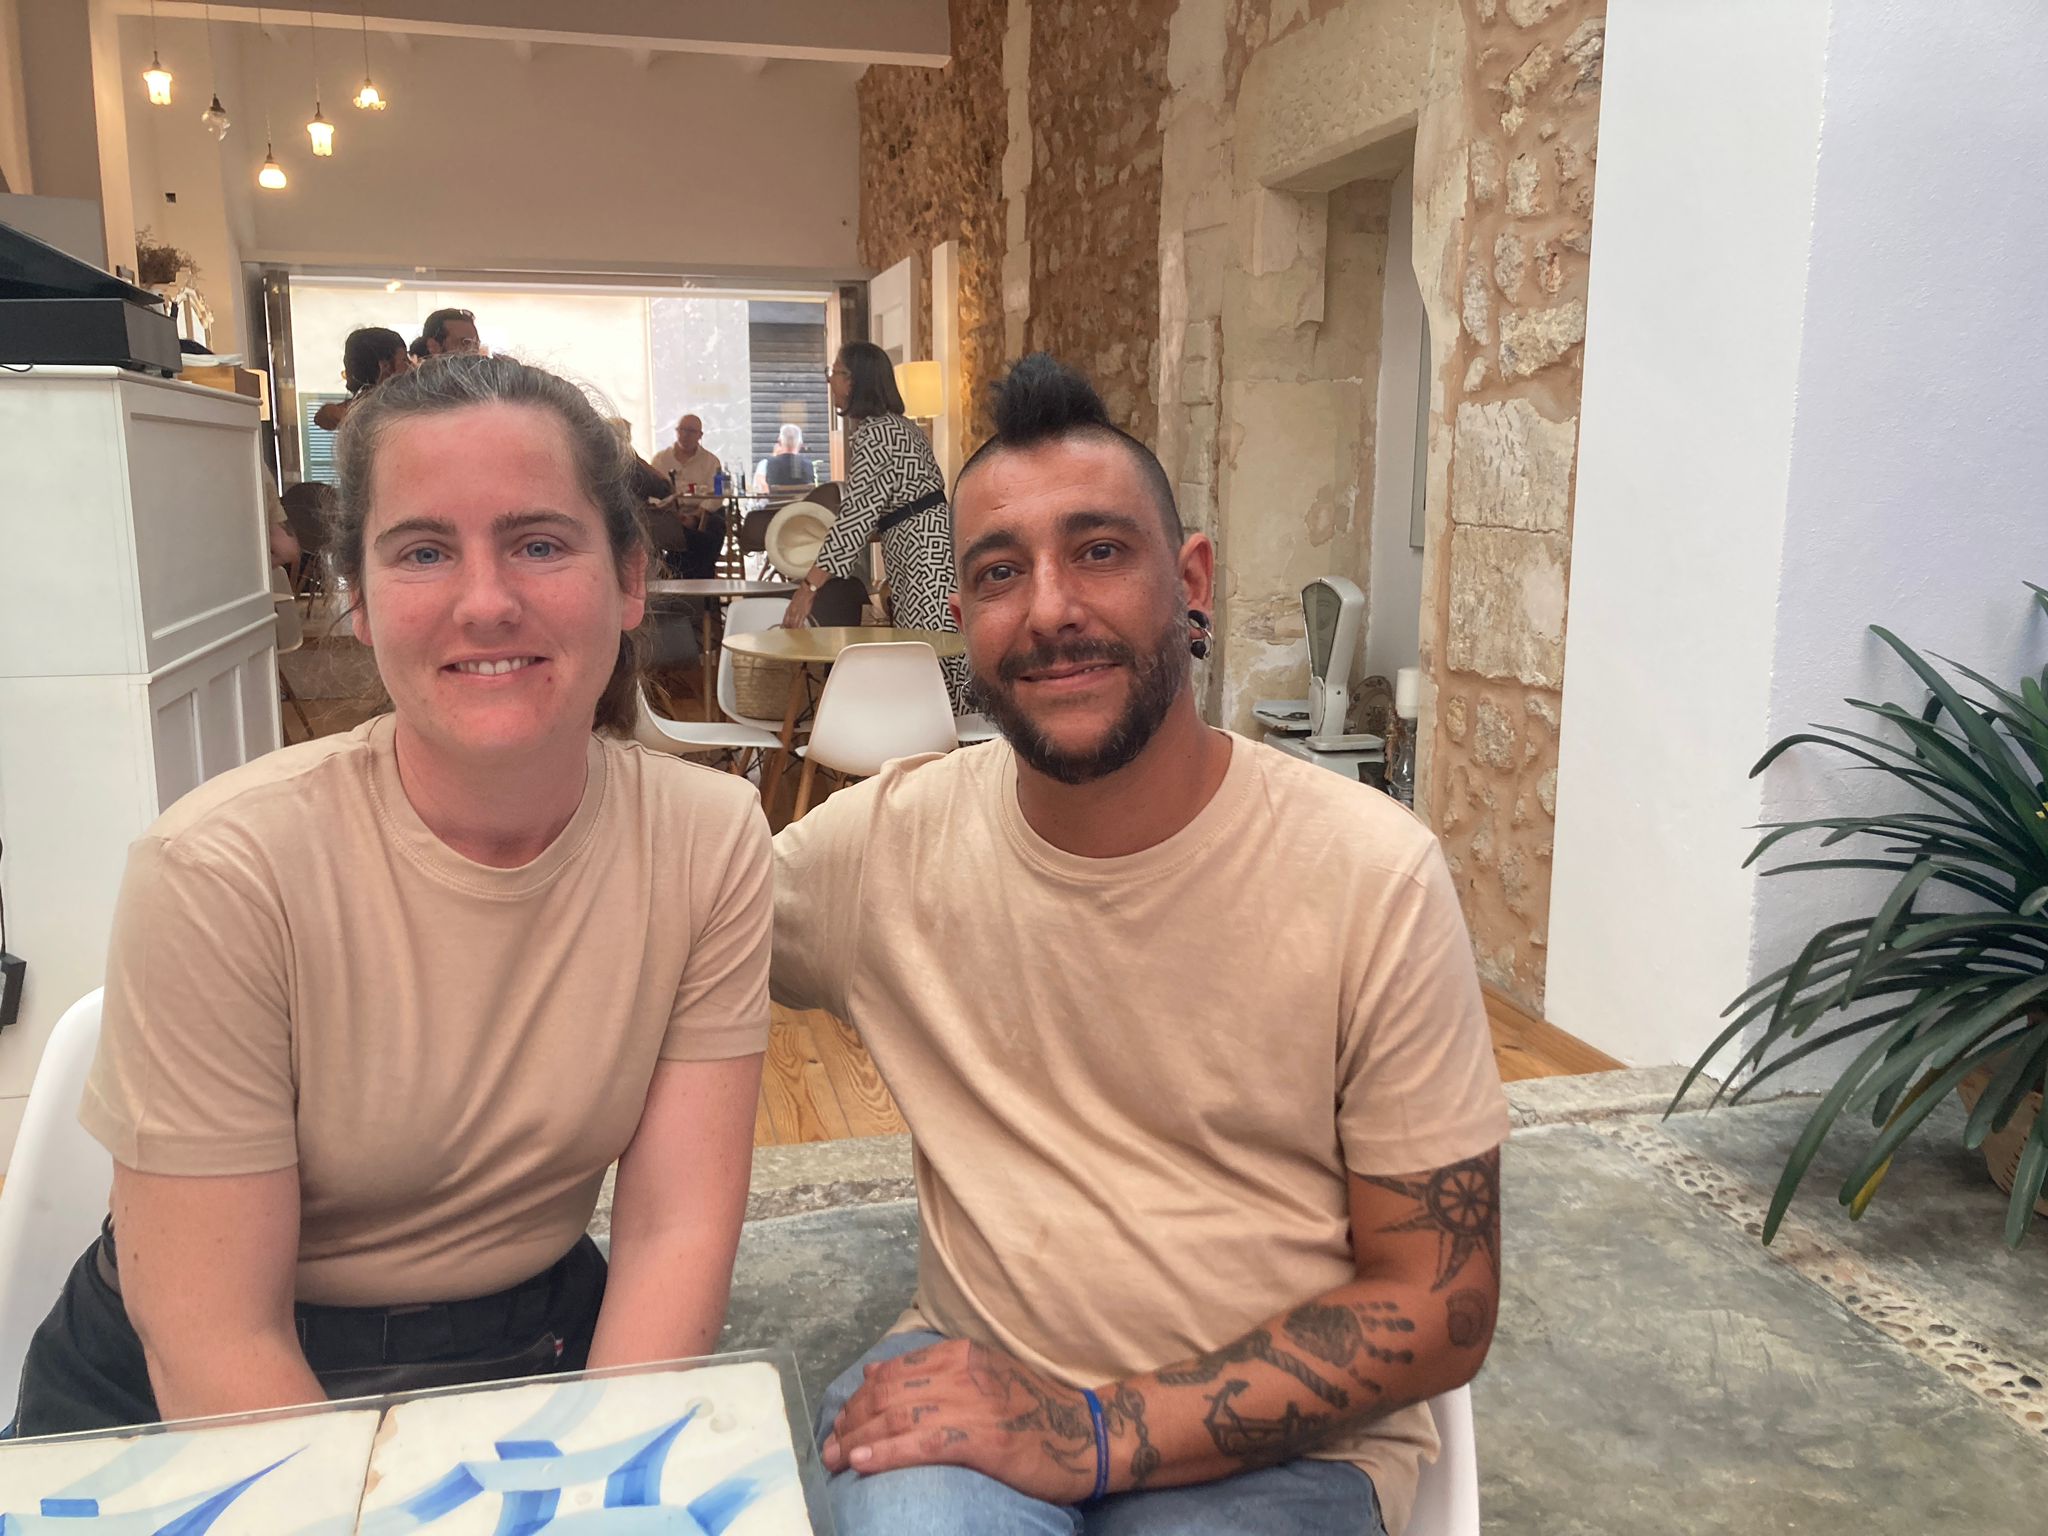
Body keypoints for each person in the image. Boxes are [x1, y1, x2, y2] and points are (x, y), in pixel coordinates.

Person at [771, 354, 1508, 1536]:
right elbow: (659, 924)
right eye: (999, 573)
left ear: (1190, 580)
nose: (1050, 609)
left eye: (1099, 551)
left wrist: (1095, 1433)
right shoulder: (887, 845)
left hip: (1282, 1446)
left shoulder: (1368, 874)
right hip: (975, 1378)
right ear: (961, 622)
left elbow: (1440, 1301)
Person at [13, 354, 771, 1437]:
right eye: (423, 551)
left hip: (537, 1345)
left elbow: (673, 1235)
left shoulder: (709, 840)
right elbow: (213, 1336)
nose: (486, 602)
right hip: (199, 1398)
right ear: (359, 602)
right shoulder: (221, 871)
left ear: (629, 580)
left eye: (539, 543)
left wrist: (606, 1482)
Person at [784, 341, 965, 710]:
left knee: (932, 661)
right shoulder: (902, 427)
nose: (830, 381)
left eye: (835, 372)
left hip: (923, 558)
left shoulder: (875, 434)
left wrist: (809, 586)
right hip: (928, 546)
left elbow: (854, 520)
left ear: (855, 381)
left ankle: (947, 743)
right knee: (937, 659)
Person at [649, 412, 727, 580]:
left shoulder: (711, 461)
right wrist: (672, 514)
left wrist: (697, 516)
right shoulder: (661, 459)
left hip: (702, 514)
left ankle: (697, 582)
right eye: (681, 430)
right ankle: (682, 579)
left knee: (714, 529)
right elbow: (653, 494)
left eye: (691, 431)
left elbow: (718, 494)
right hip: (669, 514)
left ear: (700, 435)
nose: (685, 435)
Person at [313, 325, 412, 432]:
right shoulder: (394, 418)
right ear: (384, 368)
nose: (412, 366)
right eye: (404, 360)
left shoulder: (354, 417)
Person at [752, 423, 817, 494]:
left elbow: (759, 491)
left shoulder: (766, 464)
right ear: (800, 444)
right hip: (802, 501)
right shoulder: (808, 465)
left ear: (779, 442)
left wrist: (774, 456)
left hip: (776, 501)